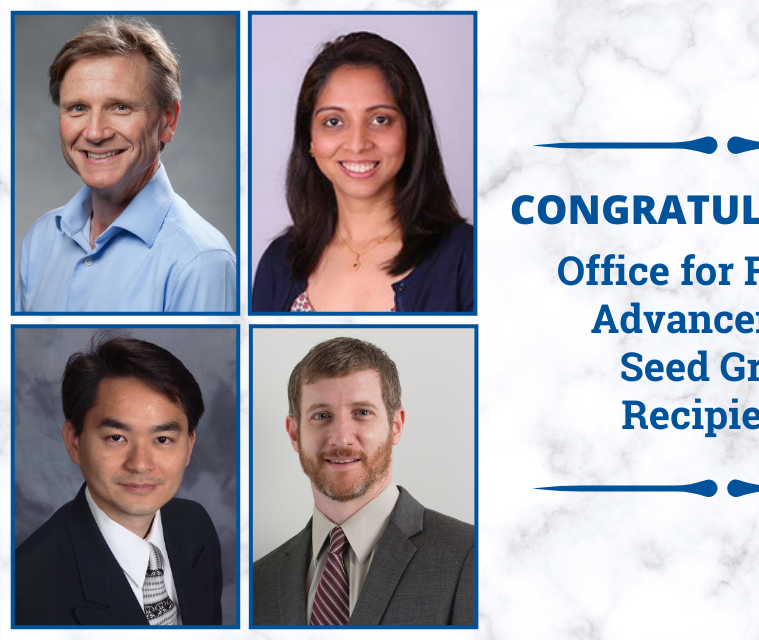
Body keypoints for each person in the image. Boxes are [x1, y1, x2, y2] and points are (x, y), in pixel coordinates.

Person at [16, 16, 236, 312]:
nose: (95, 133)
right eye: (77, 108)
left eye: (121, 107)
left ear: (168, 120)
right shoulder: (40, 240)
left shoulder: (200, 261)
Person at [252, 337, 474, 625]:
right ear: (295, 434)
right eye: (321, 415)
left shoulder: (471, 556)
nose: (342, 438)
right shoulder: (258, 581)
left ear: (395, 426)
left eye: (362, 413)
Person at [252, 32, 473, 313]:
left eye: (380, 119)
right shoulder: (278, 262)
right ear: (309, 138)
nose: (357, 144)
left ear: (411, 131)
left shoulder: (468, 256)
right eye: (333, 121)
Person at [15, 334, 223, 625]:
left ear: (189, 445)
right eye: (116, 437)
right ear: (74, 440)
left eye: (162, 439)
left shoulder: (195, 524)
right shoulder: (22, 591)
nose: (140, 464)